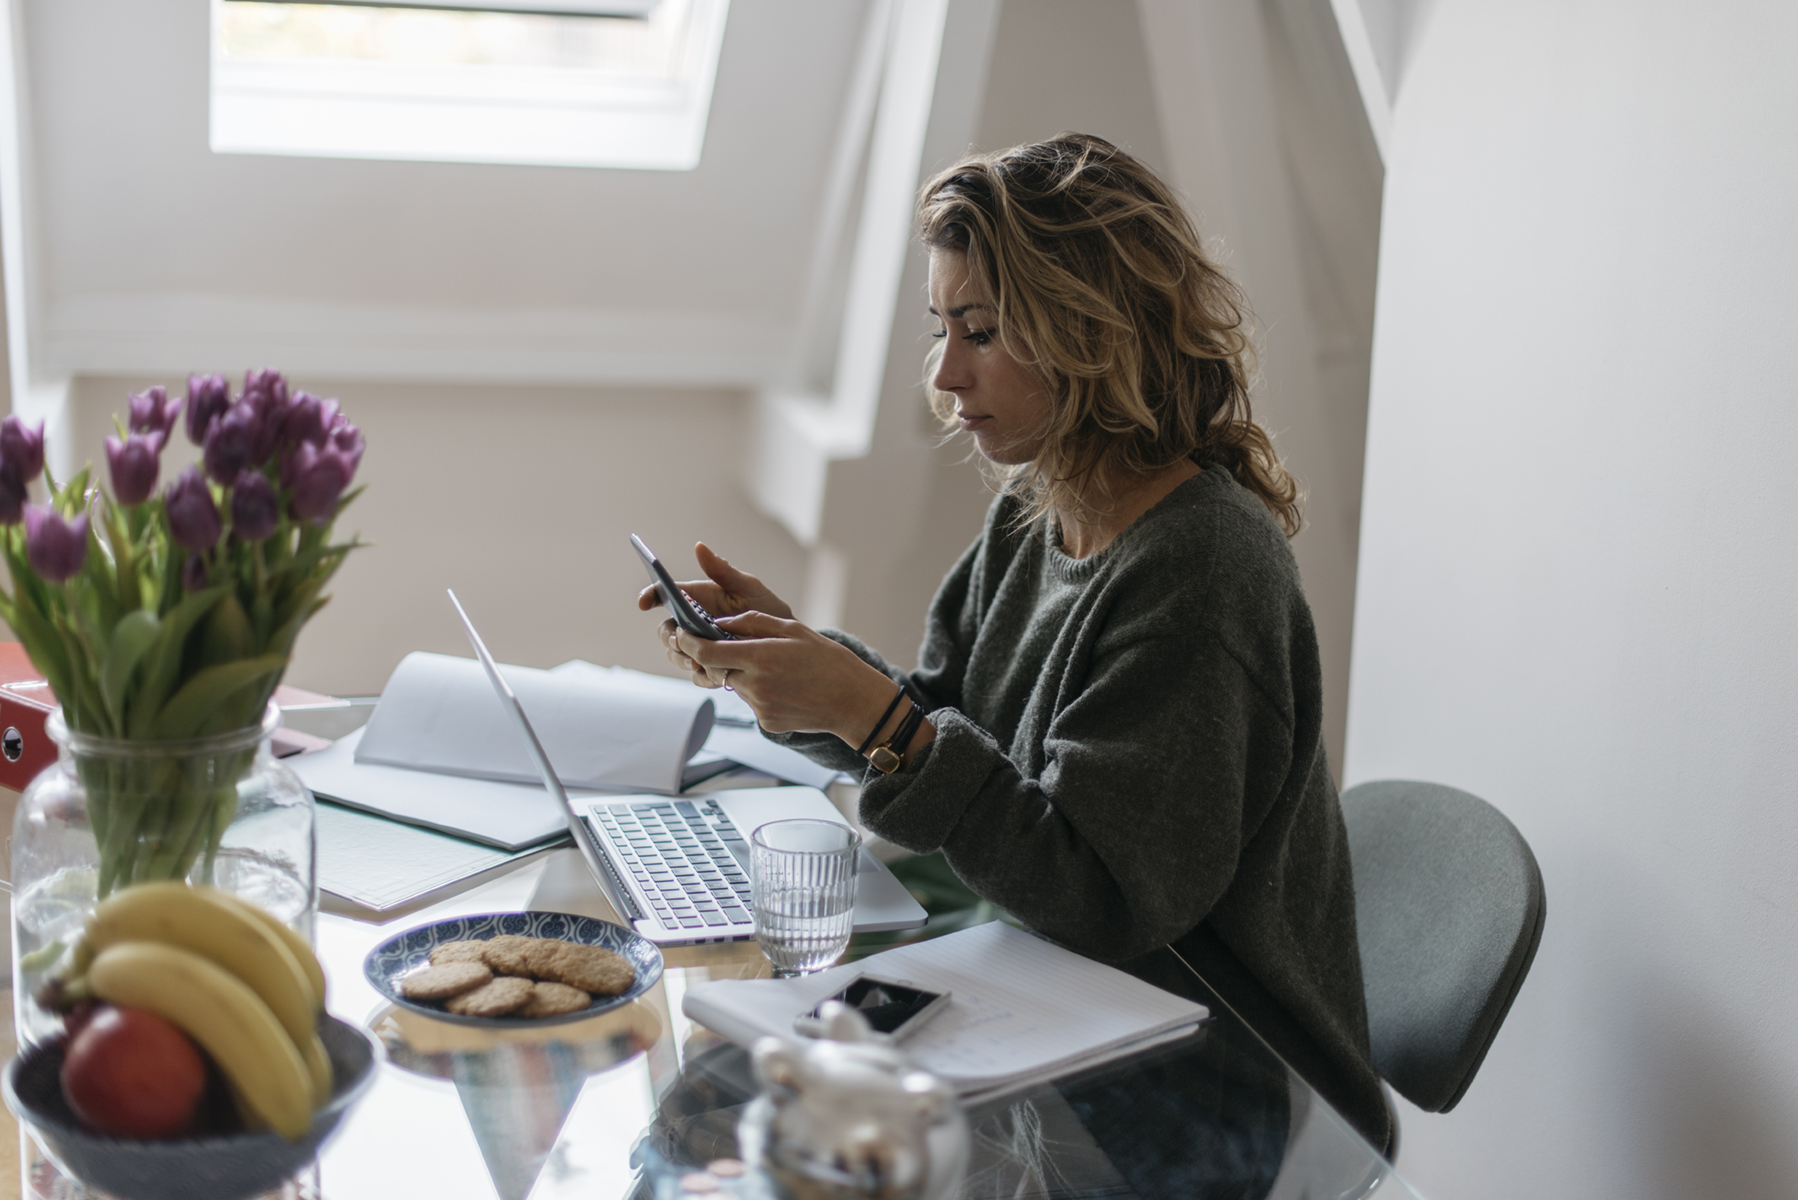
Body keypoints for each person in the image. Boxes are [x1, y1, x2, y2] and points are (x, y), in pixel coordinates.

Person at [638, 134, 1388, 1152]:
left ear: (1096, 333)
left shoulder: (1201, 570)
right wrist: (809, 668)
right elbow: (949, 726)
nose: (945, 374)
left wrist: (872, 714)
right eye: (942, 327)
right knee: (696, 1117)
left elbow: (1105, 900)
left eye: (982, 332)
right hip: (1059, 1017)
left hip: (1217, 1098)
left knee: (743, 1134)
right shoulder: (1041, 507)